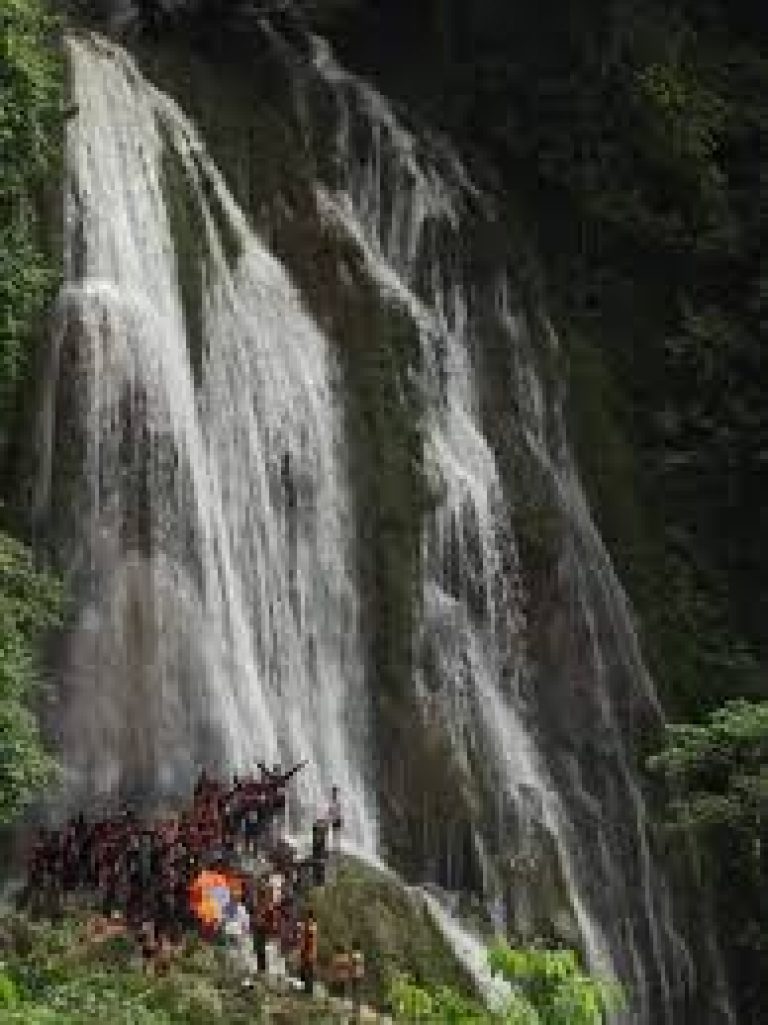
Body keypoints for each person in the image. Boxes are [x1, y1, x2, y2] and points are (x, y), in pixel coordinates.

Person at [299, 908, 318, 996]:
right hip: (312, 951)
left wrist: (302, 950)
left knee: (307, 970)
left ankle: (308, 989)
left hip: (307, 951)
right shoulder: (314, 925)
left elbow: (305, 939)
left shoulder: (307, 925)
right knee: (309, 970)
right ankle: (309, 989)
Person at [350, 941, 365, 1011]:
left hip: (354, 974)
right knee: (358, 989)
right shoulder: (361, 955)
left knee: (355, 990)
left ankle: (355, 1006)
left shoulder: (354, 954)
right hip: (360, 973)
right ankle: (358, 1005)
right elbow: (362, 965)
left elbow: (352, 964)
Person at [328, 786, 342, 854]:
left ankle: (337, 847)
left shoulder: (336, 802)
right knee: (335, 833)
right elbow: (331, 811)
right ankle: (335, 847)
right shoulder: (333, 802)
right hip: (335, 819)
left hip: (336, 819)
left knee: (336, 833)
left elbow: (333, 811)